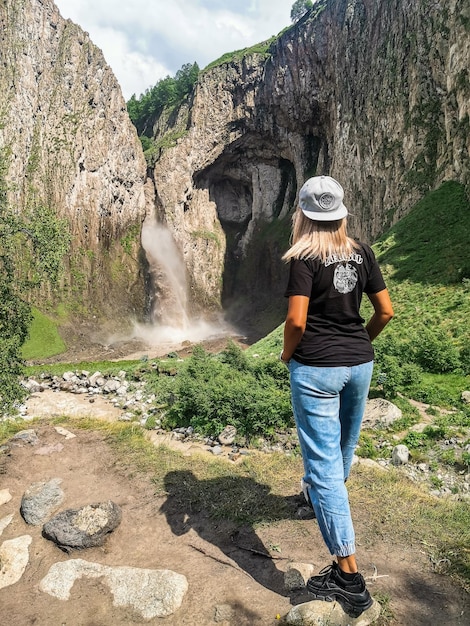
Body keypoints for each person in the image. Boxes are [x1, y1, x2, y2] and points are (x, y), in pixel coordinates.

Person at [281, 175, 394, 617]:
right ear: (341, 212)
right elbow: (385, 311)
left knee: (324, 466)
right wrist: (358, 344)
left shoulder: (304, 257)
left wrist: (289, 356)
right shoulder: (362, 252)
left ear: (304, 216)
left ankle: (348, 578)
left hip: (316, 369)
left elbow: (295, 321)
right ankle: (316, 502)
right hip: (360, 365)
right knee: (343, 450)